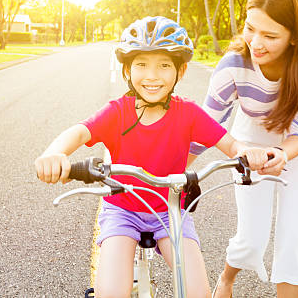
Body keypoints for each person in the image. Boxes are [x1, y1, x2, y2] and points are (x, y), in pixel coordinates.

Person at [35, 16, 269, 298]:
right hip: (122, 211)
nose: (152, 76)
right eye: (142, 64)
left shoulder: (189, 113)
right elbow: (79, 132)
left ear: (180, 71)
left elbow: (231, 145)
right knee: (109, 293)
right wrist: (54, 153)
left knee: (198, 294)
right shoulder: (117, 111)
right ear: (127, 69)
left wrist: (247, 152)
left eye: (164, 65)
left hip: (170, 210)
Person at [190, 0, 298, 298]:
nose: (256, 43)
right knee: (252, 235)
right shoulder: (233, 65)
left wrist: (283, 153)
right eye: (250, 28)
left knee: (291, 235)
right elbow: (204, 128)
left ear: (295, 38)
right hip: (252, 134)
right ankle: (226, 279)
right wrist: (172, 175)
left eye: (270, 36)